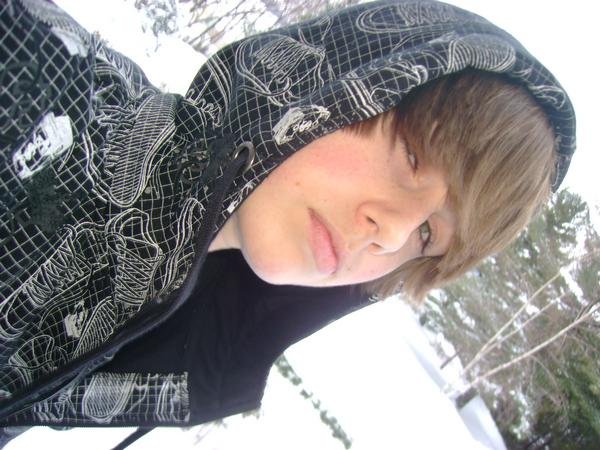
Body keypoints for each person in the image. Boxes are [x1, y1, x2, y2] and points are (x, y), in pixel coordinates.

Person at [0, 0, 575, 447]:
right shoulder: (28, 71)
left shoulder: (163, 335)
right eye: (413, 155)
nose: (392, 234)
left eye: (428, 235)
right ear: (341, 76)